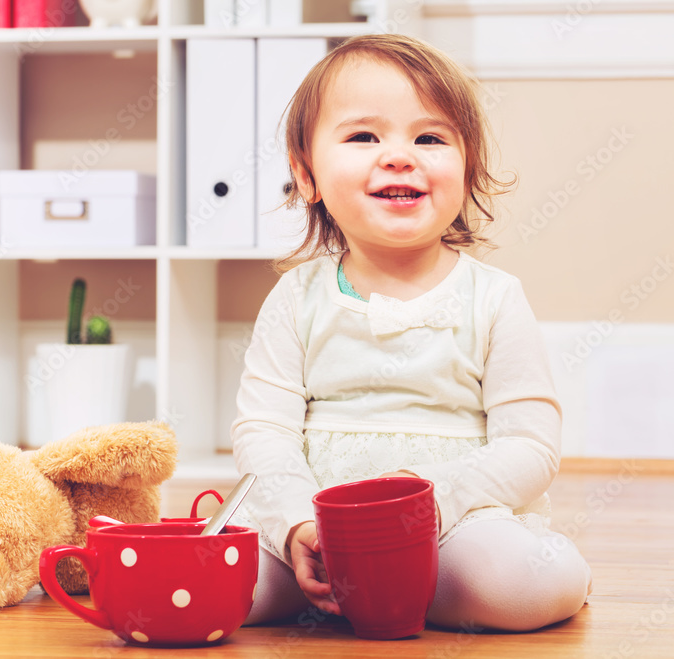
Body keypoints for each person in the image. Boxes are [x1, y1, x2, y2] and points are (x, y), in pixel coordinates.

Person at [232, 33, 592, 632]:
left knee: (524, 583)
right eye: (363, 136)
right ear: (306, 174)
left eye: (429, 138)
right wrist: (295, 524)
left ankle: (396, 592)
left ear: (468, 165)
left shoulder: (494, 298)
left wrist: (437, 506)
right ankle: (324, 583)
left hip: (451, 528)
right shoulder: (296, 298)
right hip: (312, 524)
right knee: (223, 579)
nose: (400, 156)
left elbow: (530, 444)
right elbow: (263, 432)